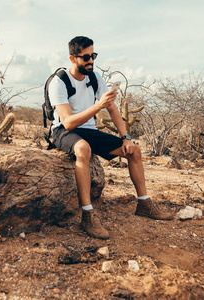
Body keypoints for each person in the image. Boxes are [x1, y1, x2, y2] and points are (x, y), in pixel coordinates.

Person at [48, 36, 172, 240]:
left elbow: (113, 109)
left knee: (135, 151)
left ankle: (144, 203)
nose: (90, 61)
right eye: (86, 57)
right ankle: (87, 214)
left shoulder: (94, 78)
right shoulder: (59, 82)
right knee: (83, 149)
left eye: (93, 56)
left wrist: (126, 138)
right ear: (73, 58)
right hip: (63, 131)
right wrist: (98, 106)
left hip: (88, 130)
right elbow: (68, 122)